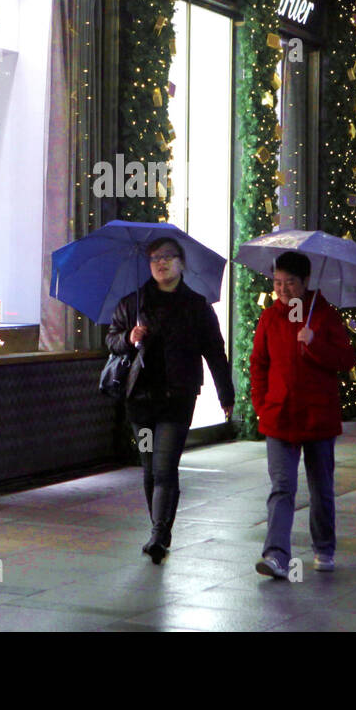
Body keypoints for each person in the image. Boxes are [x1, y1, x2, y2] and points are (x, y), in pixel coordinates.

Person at [107, 236, 234, 563]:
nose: (161, 263)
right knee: (149, 467)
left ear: (181, 262)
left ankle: (159, 534)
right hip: (141, 404)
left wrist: (225, 393)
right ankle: (158, 528)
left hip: (177, 401)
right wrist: (128, 337)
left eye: (167, 257)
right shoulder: (133, 304)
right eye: (154, 258)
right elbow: (112, 340)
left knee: (165, 467)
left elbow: (215, 352)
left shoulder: (196, 306)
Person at [249, 251, 356, 579]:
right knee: (281, 487)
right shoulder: (269, 318)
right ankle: (276, 554)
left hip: (318, 416)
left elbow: (346, 359)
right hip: (279, 416)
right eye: (278, 282)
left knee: (321, 486)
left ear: (306, 282)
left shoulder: (323, 316)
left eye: (290, 283)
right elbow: (259, 365)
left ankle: (324, 547)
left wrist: (313, 344)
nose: (282, 289)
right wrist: (262, 405)